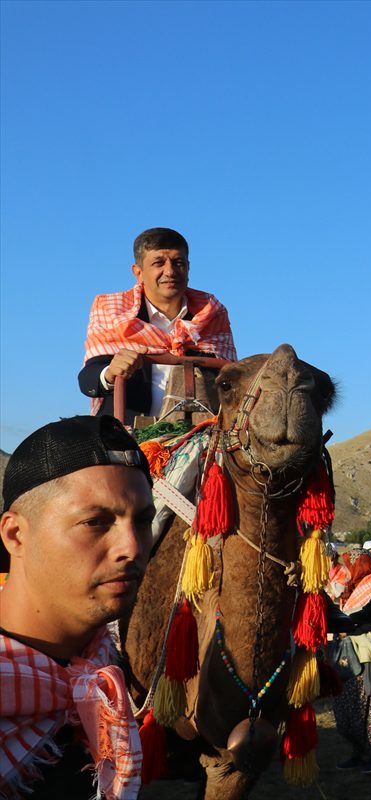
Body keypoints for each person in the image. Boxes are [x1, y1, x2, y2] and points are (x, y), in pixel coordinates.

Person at [0, 415, 154, 799]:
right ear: (16, 535)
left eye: (143, 521)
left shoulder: (103, 667)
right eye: (95, 522)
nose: (132, 548)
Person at [79, 227, 237, 422]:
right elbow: (88, 378)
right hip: (127, 440)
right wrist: (111, 372)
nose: (170, 271)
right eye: (158, 263)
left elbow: (232, 379)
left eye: (178, 262)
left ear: (188, 268)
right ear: (138, 272)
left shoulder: (211, 313)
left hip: (202, 436)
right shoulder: (113, 311)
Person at [327, 548, 371, 775]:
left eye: (348, 566)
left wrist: (350, 626)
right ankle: (358, 751)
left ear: (359, 565)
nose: (344, 571)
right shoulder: (351, 590)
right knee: (347, 709)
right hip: (350, 657)